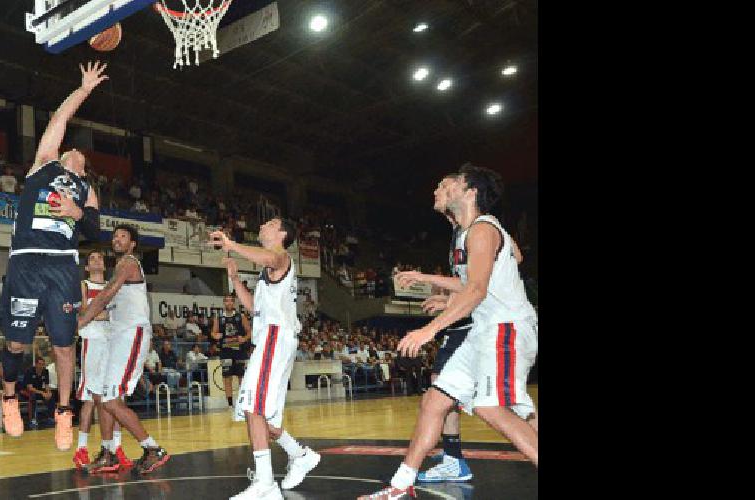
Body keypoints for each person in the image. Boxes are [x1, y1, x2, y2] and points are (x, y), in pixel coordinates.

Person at [360, 165, 538, 499]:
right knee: (434, 401)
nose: (440, 188)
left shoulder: (482, 229)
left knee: (490, 407)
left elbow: (477, 290)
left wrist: (428, 330)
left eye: (450, 183)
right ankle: (400, 485)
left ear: (470, 192)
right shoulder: (471, 231)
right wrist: (437, 289)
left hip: (506, 328)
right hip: (483, 330)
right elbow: (476, 282)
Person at [0, 61, 106, 451]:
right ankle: (9, 400)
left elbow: (96, 231)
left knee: (63, 345)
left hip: (61, 265)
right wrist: (83, 90)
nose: (71, 148)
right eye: (68, 147)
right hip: (26, 258)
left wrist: (77, 213)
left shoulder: (87, 189)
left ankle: (63, 413)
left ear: (82, 164)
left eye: (76, 151)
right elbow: (60, 117)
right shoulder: (44, 163)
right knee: (16, 344)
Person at [208, 219, 320, 498]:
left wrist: (232, 244)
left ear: (281, 234)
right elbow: (255, 308)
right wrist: (234, 279)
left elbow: (270, 257)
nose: (263, 226)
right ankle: (300, 454)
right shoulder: (269, 269)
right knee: (263, 415)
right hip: (273, 338)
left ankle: (265, 483)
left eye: (269, 223)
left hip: (274, 338)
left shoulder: (280, 257)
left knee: (252, 406)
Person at [76, 225, 170, 474]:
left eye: (123, 236)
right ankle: (108, 453)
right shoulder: (119, 268)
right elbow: (109, 309)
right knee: (105, 398)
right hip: (117, 337)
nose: (117, 239)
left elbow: (105, 295)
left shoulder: (129, 263)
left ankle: (153, 448)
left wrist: (81, 320)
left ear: (132, 244)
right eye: (115, 236)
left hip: (132, 335)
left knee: (110, 399)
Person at [72, 251, 130, 470]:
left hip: (112, 341)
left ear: (105, 265)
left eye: (100, 258)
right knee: (90, 397)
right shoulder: (84, 285)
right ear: (87, 267)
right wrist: (106, 314)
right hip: (93, 341)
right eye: (92, 259)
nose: (97, 261)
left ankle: (116, 448)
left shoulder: (111, 286)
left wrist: (104, 314)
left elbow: (118, 313)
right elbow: (85, 312)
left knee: (116, 397)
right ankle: (82, 449)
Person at [211, 294, 251, 407]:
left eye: (231, 301)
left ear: (234, 303)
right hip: (225, 351)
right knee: (227, 377)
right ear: (224, 303)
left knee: (241, 376)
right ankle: (229, 405)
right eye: (226, 301)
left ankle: (243, 403)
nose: (229, 303)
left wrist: (244, 338)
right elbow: (213, 333)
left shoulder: (241, 316)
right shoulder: (218, 318)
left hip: (239, 351)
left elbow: (249, 331)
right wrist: (215, 335)